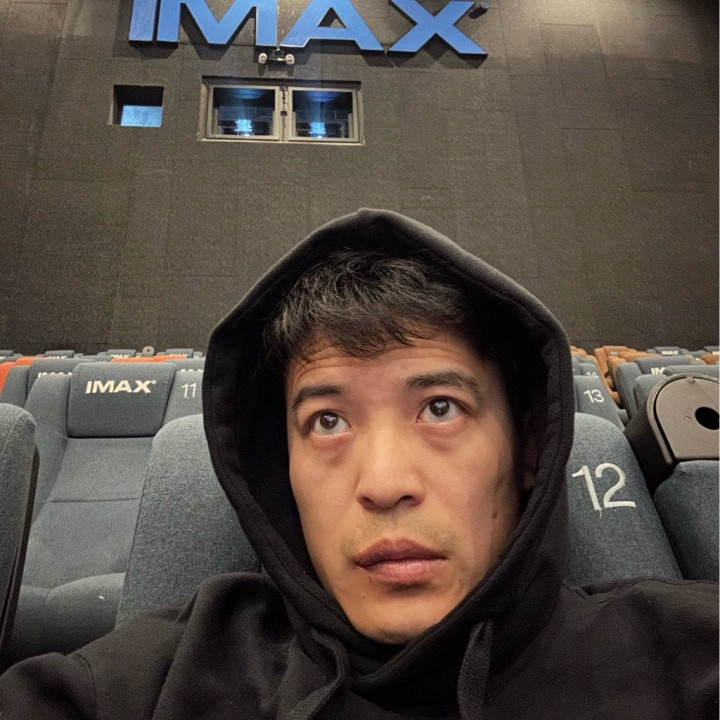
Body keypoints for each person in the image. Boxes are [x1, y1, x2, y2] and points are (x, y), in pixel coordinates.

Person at [0, 209, 716, 718]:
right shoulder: (149, 684)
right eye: (328, 421)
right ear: (281, 469)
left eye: (440, 408)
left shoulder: (686, 656)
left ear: (528, 450)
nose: (384, 485)